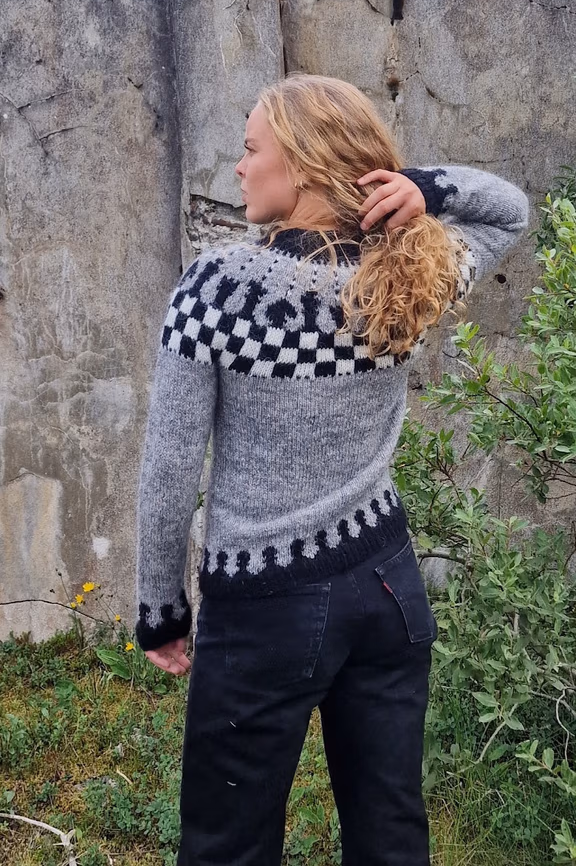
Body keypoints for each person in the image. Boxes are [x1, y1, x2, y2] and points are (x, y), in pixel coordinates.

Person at [134, 73, 530, 866]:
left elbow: (170, 467)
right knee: (390, 834)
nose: (239, 166)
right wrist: (421, 189)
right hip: (386, 586)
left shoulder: (217, 290)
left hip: (264, 607)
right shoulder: (406, 277)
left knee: (227, 845)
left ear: (306, 166)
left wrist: (161, 609)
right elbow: (508, 209)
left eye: (252, 149)